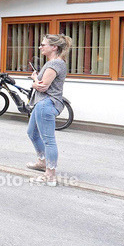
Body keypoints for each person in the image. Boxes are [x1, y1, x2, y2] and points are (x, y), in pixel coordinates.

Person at [26, 34, 71, 187]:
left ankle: (50, 175)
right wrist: (36, 78)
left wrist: (34, 81)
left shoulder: (54, 64)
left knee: (48, 140)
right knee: (32, 132)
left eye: (43, 44)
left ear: (54, 47)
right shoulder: (53, 63)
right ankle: (42, 162)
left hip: (46, 104)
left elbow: (42, 87)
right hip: (42, 103)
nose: (40, 47)